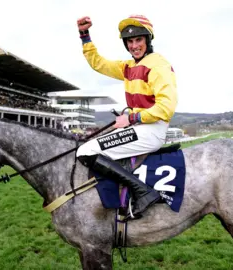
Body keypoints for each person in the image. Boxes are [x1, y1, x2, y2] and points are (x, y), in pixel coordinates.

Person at [75, 15, 178, 219]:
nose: (134, 46)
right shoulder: (128, 66)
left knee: (86, 151)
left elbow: (167, 107)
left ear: (148, 40)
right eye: (130, 42)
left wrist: (131, 119)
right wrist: (85, 36)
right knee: (93, 143)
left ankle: (143, 192)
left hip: (151, 130)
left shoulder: (158, 65)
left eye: (138, 40)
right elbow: (99, 64)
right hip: (139, 127)